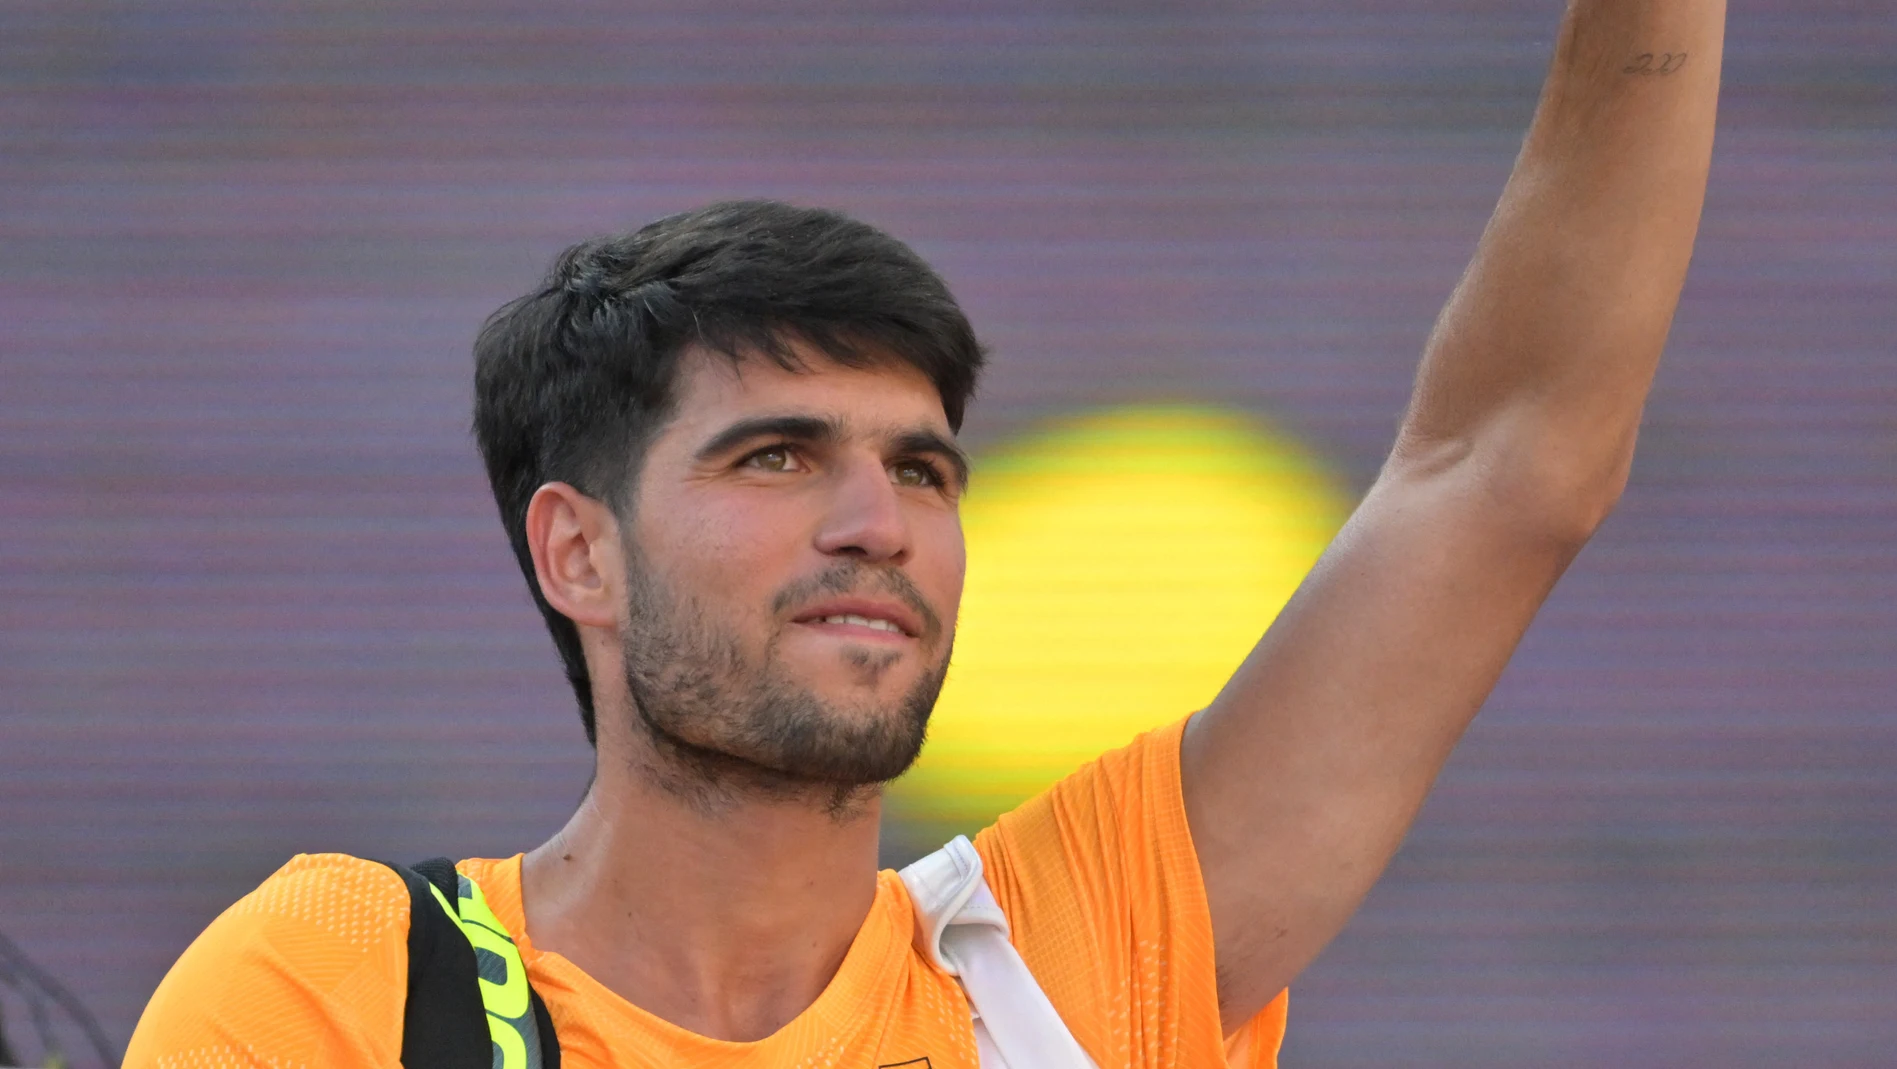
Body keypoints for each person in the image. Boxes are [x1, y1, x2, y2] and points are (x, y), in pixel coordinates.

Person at [124, 1, 1728, 1065]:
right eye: (776, 456)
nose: (876, 523)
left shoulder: (1076, 959)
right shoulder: (339, 986)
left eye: (925, 469)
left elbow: (1508, 465)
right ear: (577, 553)